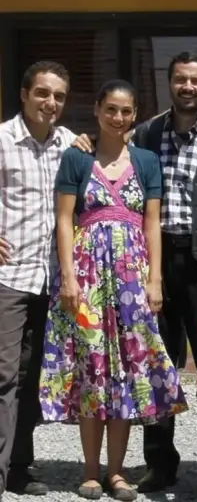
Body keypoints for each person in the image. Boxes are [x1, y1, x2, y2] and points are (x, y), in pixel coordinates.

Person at [74, 51, 197, 493]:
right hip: (147, 261)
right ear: (170, 83)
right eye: (180, 79)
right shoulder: (145, 133)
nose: (187, 87)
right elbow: (109, 151)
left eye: (196, 80)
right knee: (153, 362)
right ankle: (159, 463)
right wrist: (83, 142)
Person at [40, 80, 188, 501]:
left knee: (124, 372)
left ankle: (117, 472)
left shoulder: (145, 161)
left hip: (131, 278)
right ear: (97, 110)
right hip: (87, 277)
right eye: (111, 109)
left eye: (126, 111)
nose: (118, 117)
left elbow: (152, 223)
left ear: (134, 115)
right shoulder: (77, 158)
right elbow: (64, 219)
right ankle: (90, 471)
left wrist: (154, 279)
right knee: (92, 369)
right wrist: (68, 277)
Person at [0, 61, 76, 498]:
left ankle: (18, 466)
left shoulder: (69, 144)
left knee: (32, 379)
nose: (51, 102)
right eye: (43, 93)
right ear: (25, 94)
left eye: (59, 96)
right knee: (3, 375)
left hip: (50, 280)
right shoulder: (3, 140)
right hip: (9, 276)